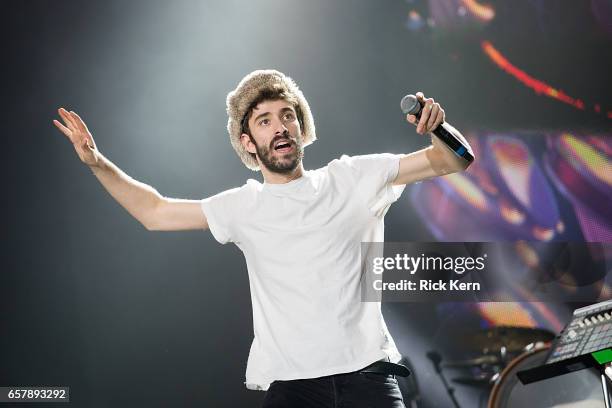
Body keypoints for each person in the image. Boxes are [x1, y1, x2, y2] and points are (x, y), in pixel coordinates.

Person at [53, 69, 473, 408]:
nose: (280, 127)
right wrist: (97, 162)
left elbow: (454, 160)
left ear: (301, 124)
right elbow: (154, 212)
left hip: (369, 379)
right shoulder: (245, 206)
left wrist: (438, 128)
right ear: (247, 142)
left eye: (287, 115)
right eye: (264, 120)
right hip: (293, 388)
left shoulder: (354, 177)